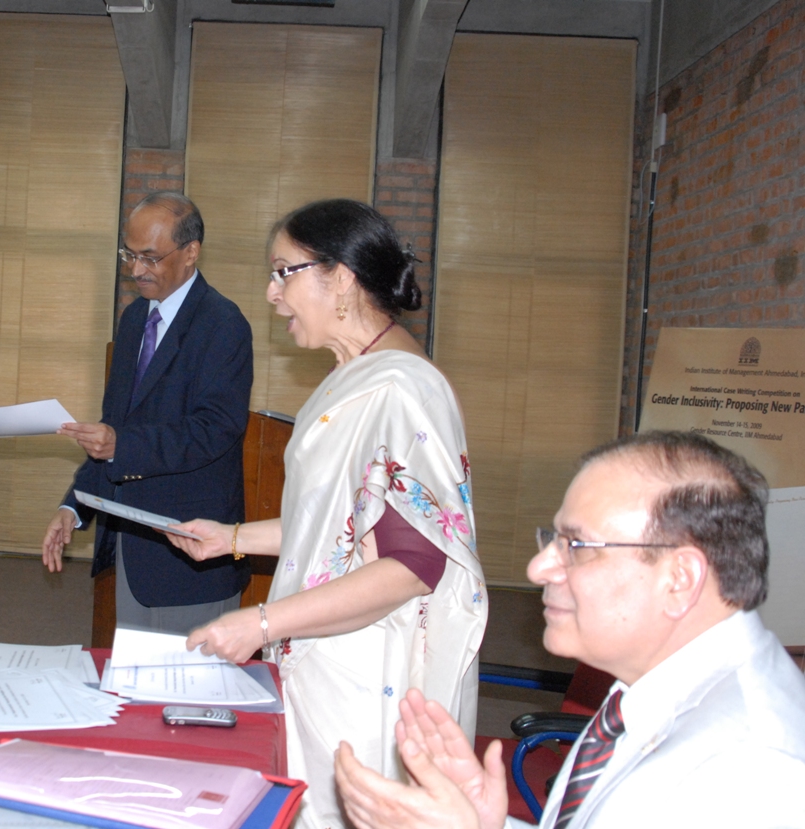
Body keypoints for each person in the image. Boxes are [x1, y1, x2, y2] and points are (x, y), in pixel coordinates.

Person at [168, 199, 487, 829]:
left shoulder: (398, 389)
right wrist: (231, 538)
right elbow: (341, 521)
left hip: (364, 664)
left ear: (339, 278)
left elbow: (411, 566)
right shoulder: (357, 372)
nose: (272, 293)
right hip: (326, 644)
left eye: (283, 272)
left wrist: (261, 623)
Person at [333, 431, 805, 829]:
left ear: (680, 578)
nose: (538, 568)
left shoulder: (755, 773)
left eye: (577, 545)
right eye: (552, 539)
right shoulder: (654, 689)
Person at [41, 192, 254, 634]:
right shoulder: (135, 317)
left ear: (191, 252)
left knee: (188, 677)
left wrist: (121, 444)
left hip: (192, 550)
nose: (137, 270)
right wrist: (73, 507)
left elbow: (215, 429)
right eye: (130, 255)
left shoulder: (223, 324)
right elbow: (115, 427)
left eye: (151, 258)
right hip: (133, 543)